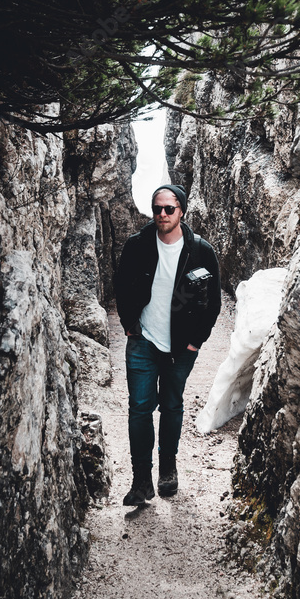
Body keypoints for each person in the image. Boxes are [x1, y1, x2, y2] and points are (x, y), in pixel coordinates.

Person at [114, 183, 221, 505]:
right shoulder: (137, 245)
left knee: (172, 407)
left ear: (181, 211)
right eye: (157, 208)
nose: (162, 214)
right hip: (143, 341)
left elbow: (213, 302)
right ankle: (141, 481)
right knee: (139, 410)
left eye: (168, 209)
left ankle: (168, 469)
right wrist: (129, 325)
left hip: (180, 348)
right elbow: (120, 285)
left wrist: (195, 342)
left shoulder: (201, 250)